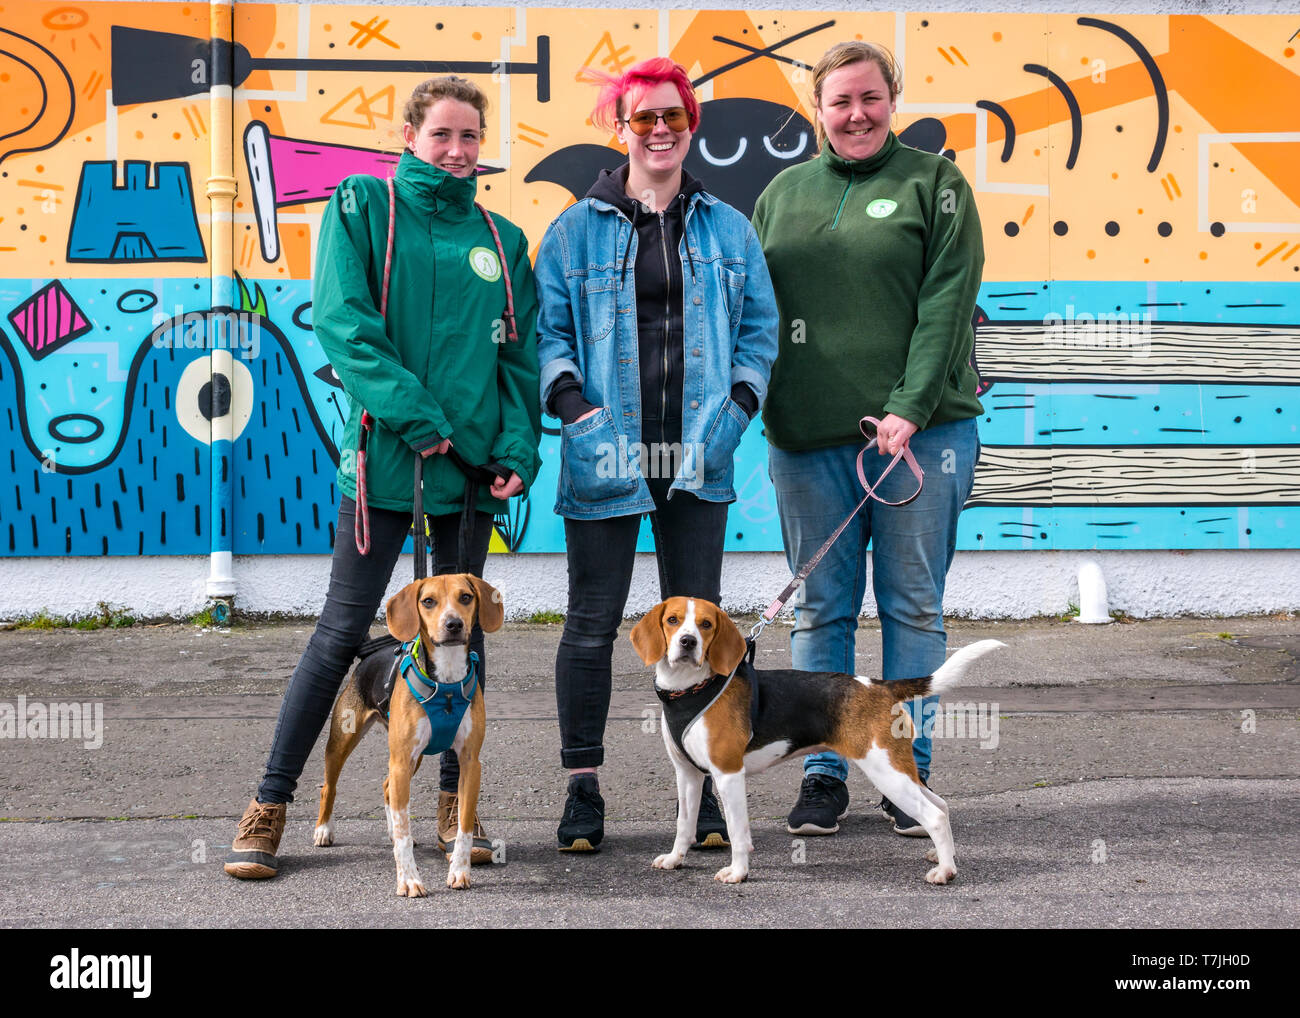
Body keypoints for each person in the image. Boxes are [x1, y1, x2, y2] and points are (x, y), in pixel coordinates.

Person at [224, 76, 541, 879]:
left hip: (469, 481)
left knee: (460, 644)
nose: (458, 150)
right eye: (442, 135)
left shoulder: (503, 241)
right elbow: (345, 324)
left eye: (470, 137)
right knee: (340, 635)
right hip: (385, 468)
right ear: (410, 136)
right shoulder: (364, 207)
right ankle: (269, 803)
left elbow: (517, 360)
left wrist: (515, 452)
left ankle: (450, 811)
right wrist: (418, 418)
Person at [534, 58, 778, 852]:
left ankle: (706, 793)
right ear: (621, 128)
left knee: (700, 632)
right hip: (605, 453)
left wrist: (735, 414)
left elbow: (760, 336)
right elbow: (550, 336)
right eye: (645, 117)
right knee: (592, 624)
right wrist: (579, 413)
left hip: (700, 455)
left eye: (674, 115)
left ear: (690, 123)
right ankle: (583, 791)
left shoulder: (729, 228)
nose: (661, 128)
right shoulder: (574, 229)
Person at [751, 41, 984, 837]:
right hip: (807, 441)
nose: (855, 114)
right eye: (839, 101)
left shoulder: (937, 184)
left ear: (894, 100)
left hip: (924, 438)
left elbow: (947, 305)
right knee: (821, 608)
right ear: (817, 109)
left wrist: (910, 408)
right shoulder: (781, 194)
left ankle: (906, 771)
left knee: (912, 604)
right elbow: (753, 312)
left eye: (870, 98)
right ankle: (822, 769)